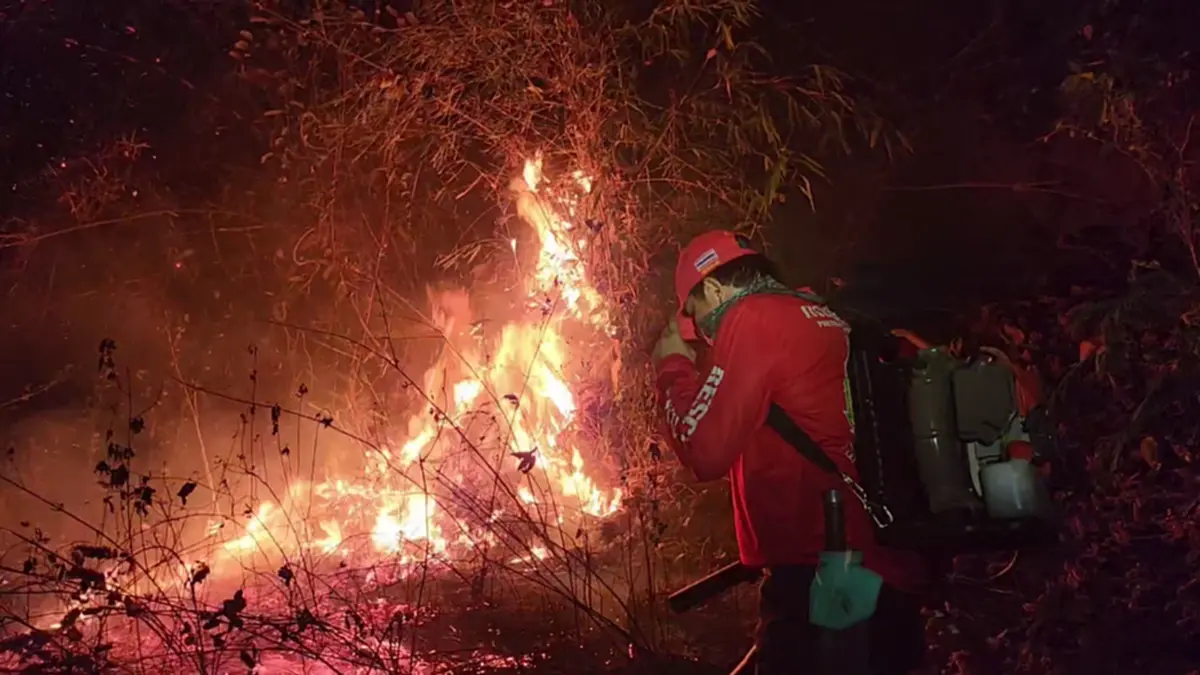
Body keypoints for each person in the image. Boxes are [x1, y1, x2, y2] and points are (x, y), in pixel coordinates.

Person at [652, 230, 928, 675]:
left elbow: (703, 450)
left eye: (695, 311)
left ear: (716, 288)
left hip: (827, 582)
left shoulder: (754, 317)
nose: (701, 331)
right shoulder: (823, 314)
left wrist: (672, 367)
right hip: (880, 570)